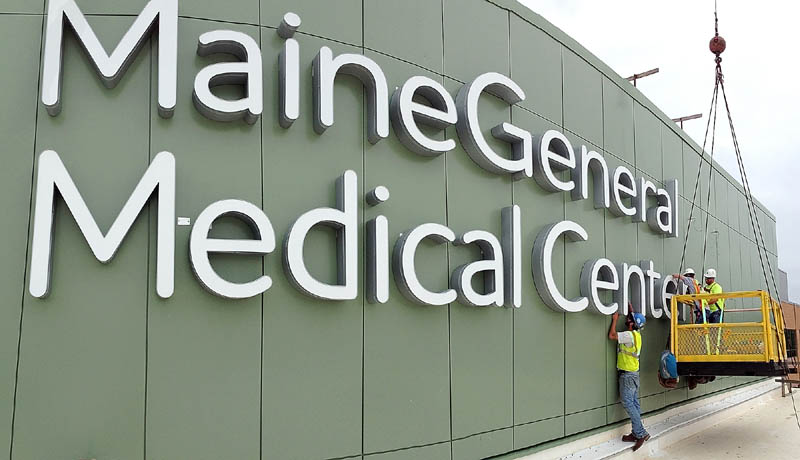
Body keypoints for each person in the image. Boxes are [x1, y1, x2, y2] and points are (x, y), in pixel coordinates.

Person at [608, 310, 650, 451]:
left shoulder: (628, 335)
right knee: (634, 404)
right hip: (633, 374)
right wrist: (630, 308)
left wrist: (614, 319)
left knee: (628, 403)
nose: (627, 320)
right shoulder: (637, 335)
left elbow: (612, 335)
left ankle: (640, 433)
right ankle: (637, 432)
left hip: (627, 375)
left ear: (632, 323)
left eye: (629, 319)